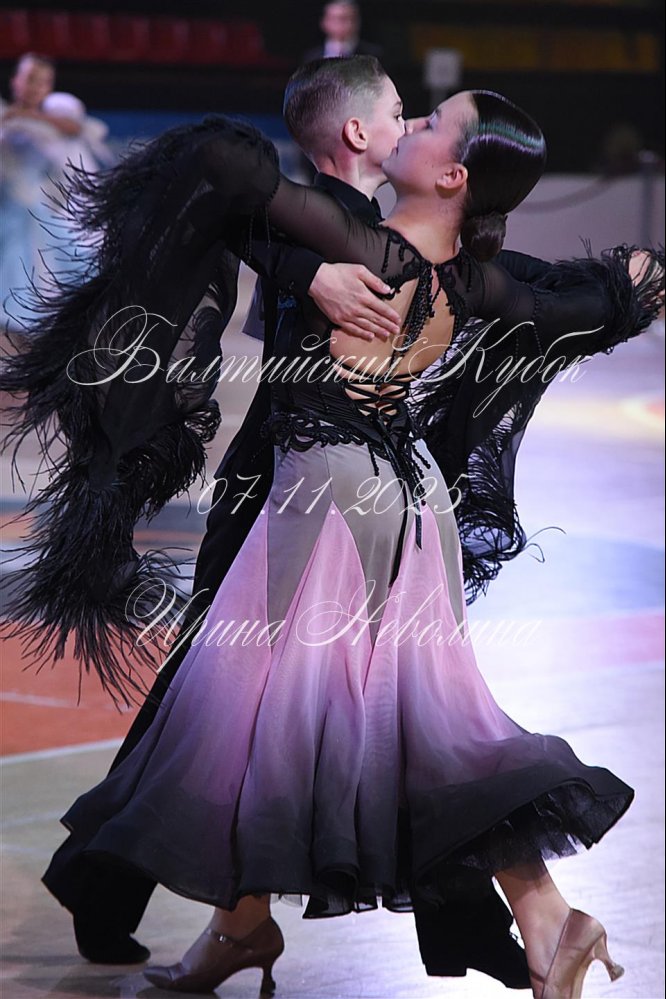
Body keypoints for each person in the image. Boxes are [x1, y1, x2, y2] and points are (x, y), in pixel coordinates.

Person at [2, 88, 663, 998]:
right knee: (411, 722)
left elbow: (220, 164)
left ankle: (246, 927)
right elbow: (582, 302)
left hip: (327, 498)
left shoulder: (364, 248)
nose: (413, 121)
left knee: (246, 716)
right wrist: (633, 282)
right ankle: (534, 921)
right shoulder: (471, 280)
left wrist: (304, 268)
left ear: (452, 175)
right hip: (412, 505)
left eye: (429, 122)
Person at [0, 52, 112, 333]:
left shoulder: (56, 113)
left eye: (43, 82)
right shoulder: (5, 118)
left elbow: (74, 128)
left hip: (33, 214)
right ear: (15, 80)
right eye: (30, 79)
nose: (35, 87)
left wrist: (23, 116)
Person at [304, 1, 382, 62]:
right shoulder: (312, 57)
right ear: (324, 22)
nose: (341, 24)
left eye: (349, 18)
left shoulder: (373, 56)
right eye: (336, 19)